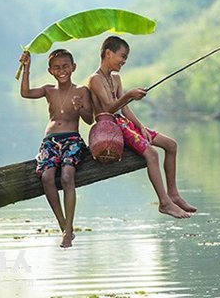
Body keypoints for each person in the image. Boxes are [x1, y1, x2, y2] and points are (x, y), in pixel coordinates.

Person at [88, 36, 196, 219]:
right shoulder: (95, 79)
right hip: (110, 127)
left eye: (126, 58)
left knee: (171, 145)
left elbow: (124, 108)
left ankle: (173, 194)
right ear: (108, 53)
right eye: (122, 56)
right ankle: (164, 203)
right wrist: (129, 94)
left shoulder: (116, 78)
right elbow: (108, 108)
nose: (124, 61)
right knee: (152, 154)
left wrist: (140, 126)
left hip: (124, 123)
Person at [19, 48, 93, 248]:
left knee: (68, 176)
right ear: (51, 70)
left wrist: (81, 108)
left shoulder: (81, 91)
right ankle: (64, 226)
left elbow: (89, 119)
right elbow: (25, 93)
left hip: (72, 139)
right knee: (46, 177)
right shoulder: (48, 90)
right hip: (50, 140)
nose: (62, 71)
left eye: (66, 66)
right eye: (57, 68)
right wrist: (27, 67)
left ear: (73, 67)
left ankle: (69, 228)